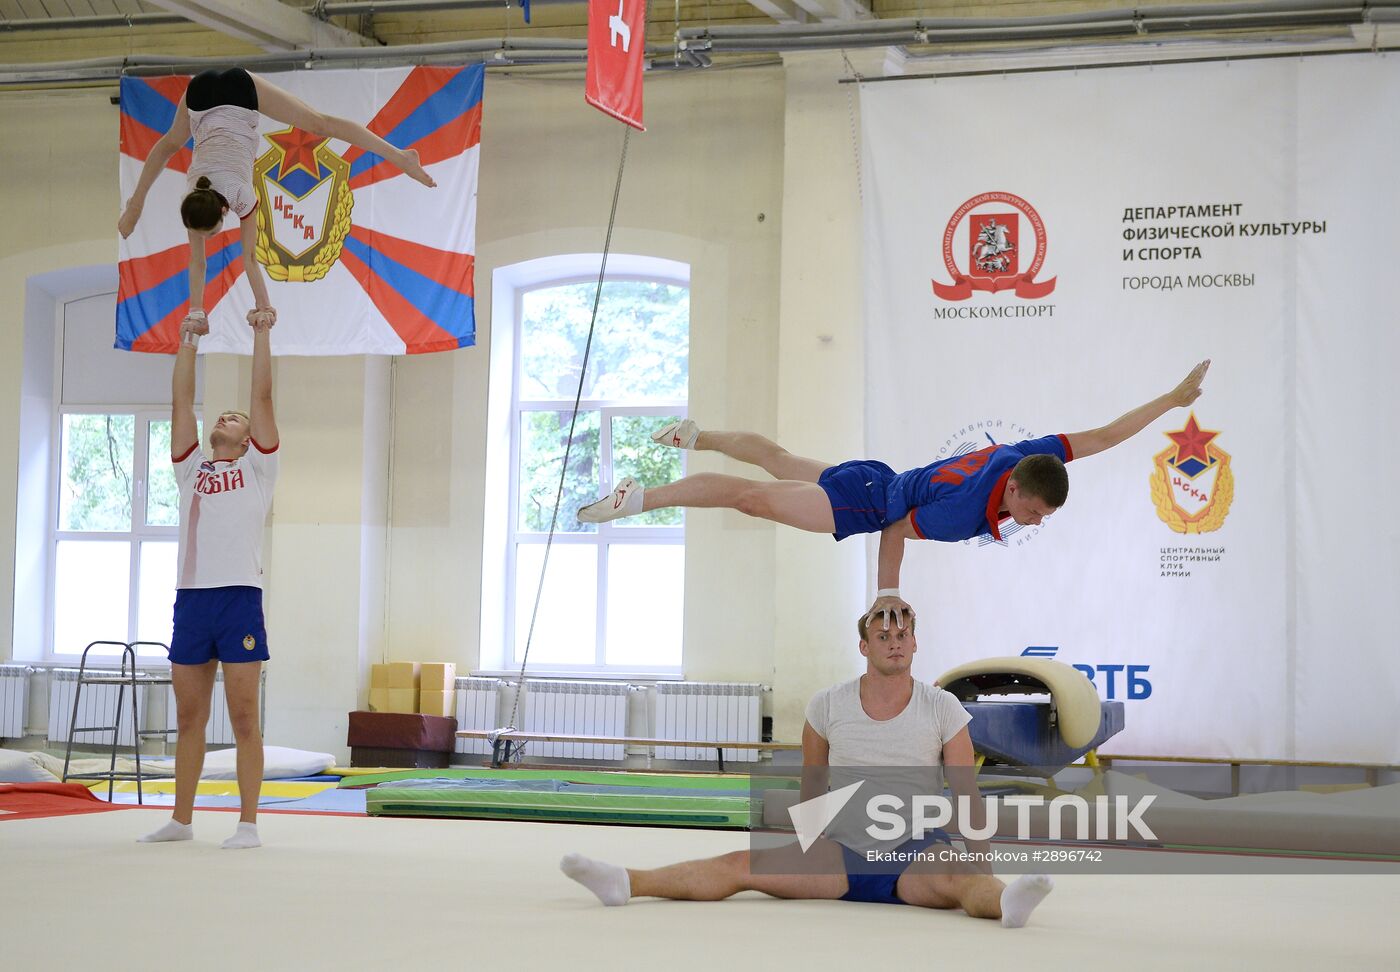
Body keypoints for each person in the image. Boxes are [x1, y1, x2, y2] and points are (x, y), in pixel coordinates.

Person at [580, 360, 1211, 625]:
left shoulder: (1027, 456)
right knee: (753, 497)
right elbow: (896, 531)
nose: (1033, 522)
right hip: (868, 502)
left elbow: (1101, 437)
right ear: (1016, 488)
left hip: (875, 476)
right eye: (1033, 510)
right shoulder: (969, 512)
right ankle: (645, 498)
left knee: (777, 459)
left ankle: (701, 434)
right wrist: (888, 598)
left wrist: (1171, 400)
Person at [560, 606, 1054, 927]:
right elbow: (812, 787)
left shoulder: (942, 707)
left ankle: (1006, 902)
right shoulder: (827, 705)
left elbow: (966, 794)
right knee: (740, 865)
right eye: (883, 635)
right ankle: (627, 881)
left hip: (914, 849)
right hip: (841, 853)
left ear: (915, 643)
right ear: (865, 646)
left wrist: (981, 863)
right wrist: (801, 855)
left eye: (903, 634)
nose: (895, 642)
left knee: (964, 879)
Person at [117, 66, 435, 335]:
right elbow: (218, 258)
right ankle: (134, 204)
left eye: (210, 233)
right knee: (318, 120)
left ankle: (400, 158)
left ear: (225, 210)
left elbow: (241, 260)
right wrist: (198, 311)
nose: (206, 237)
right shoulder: (194, 198)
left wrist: (257, 307)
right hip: (199, 91)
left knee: (320, 125)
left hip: (241, 96)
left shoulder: (240, 198)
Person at [138, 309, 279, 850]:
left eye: (236, 419)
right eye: (222, 414)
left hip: (239, 597)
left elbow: (263, 399)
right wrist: (187, 344)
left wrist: (261, 334)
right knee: (189, 714)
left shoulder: (260, 470)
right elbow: (180, 404)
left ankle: (248, 824)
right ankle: (181, 819)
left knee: (244, 714)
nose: (228, 416)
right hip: (192, 600)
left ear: (247, 441)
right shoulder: (191, 467)